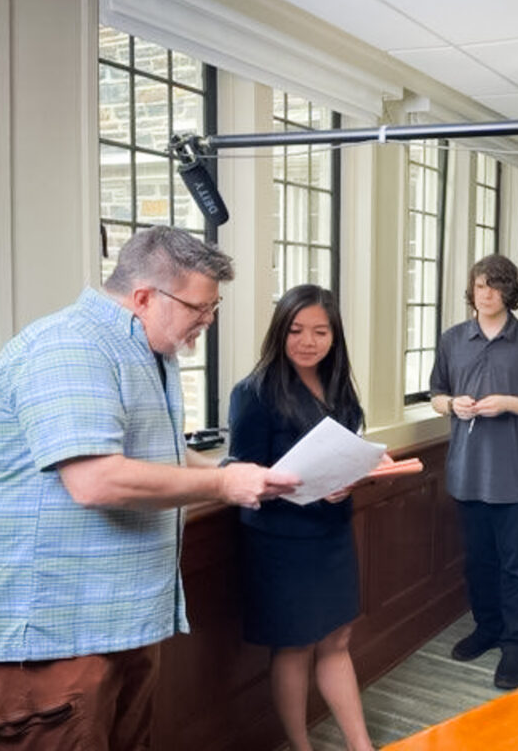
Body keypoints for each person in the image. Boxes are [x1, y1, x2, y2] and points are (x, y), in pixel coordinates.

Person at [0, 226, 298, 750]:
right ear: (143, 297)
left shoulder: (148, 351)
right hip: (59, 635)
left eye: (213, 307)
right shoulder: (69, 346)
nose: (208, 320)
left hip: (122, 623)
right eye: (198, 309)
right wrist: (226, 483)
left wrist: (245, 472)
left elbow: (163, 452)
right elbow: (94, 480)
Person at [228, 284, 377, 751]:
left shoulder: (338, 385)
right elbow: (241, 474)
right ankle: (300, 746)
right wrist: (303, 485)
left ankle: (360, 746)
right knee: (293, 645)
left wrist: (348, 480)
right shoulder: (253, 392)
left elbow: (345, 453)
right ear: (279, 331)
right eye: (296, 330)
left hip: (331, 531)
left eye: (319, 331)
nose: (307, 341)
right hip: (281, 540)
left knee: (337, 638)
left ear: (334, 337)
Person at [429, 254, 518, 691]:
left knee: (515, 566)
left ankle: (515, 644)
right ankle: (486, 629)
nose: (485, 294)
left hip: (510, 475)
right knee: (478, 562)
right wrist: (452, 404)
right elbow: (436, 394)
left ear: (509, 292)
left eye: (494, 286)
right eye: (479, 286)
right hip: (465, 473)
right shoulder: (452, 340)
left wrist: (508, 402)